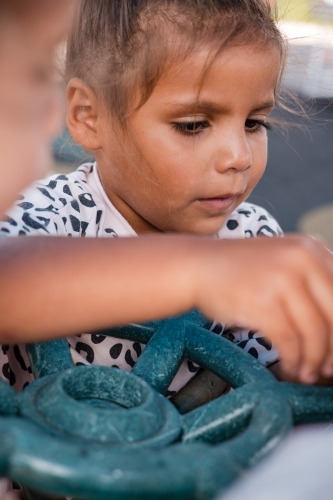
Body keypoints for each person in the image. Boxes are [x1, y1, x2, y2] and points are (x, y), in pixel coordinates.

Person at [1, 0, 333, 401]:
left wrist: (316, 342)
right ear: (91, 116)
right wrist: (200, 270)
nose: (239, 157)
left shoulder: (252, 237)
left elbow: (277, 375)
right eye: (193, 125)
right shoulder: (48, 216)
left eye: (253, 123)